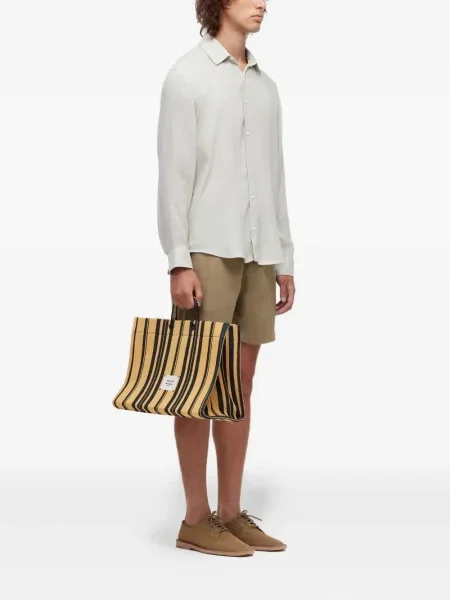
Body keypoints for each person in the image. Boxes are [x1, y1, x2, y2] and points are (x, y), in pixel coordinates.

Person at [157, 0, 295, 557]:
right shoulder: (186, 77)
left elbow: (275, 177)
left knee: (239, 385)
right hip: (206, 251)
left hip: (259, 252)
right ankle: (195, 519)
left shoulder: (266, 87)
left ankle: (231, 514)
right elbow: (174, 174)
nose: (263, 3)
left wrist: (284, 258)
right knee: (195, 384)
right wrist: (178, 259)